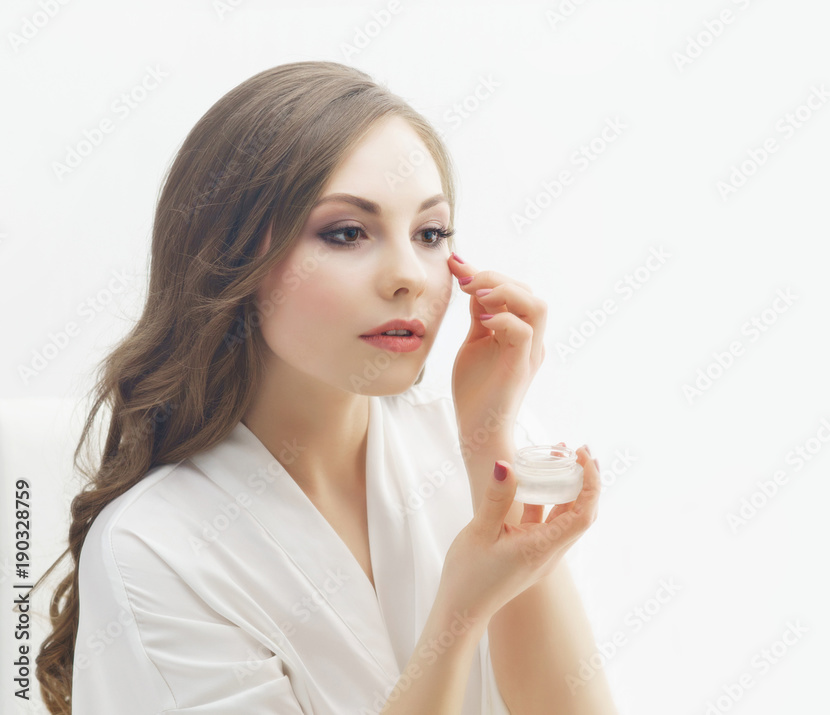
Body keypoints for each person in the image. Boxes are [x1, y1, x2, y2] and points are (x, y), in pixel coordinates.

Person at [32, 61, 617, 714]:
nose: (409, 276)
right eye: (346, 233)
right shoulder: (155, 549)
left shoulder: (485, 445)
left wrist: (489, 443)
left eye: (430, 234)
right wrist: (459, 613)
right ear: (232, 259)